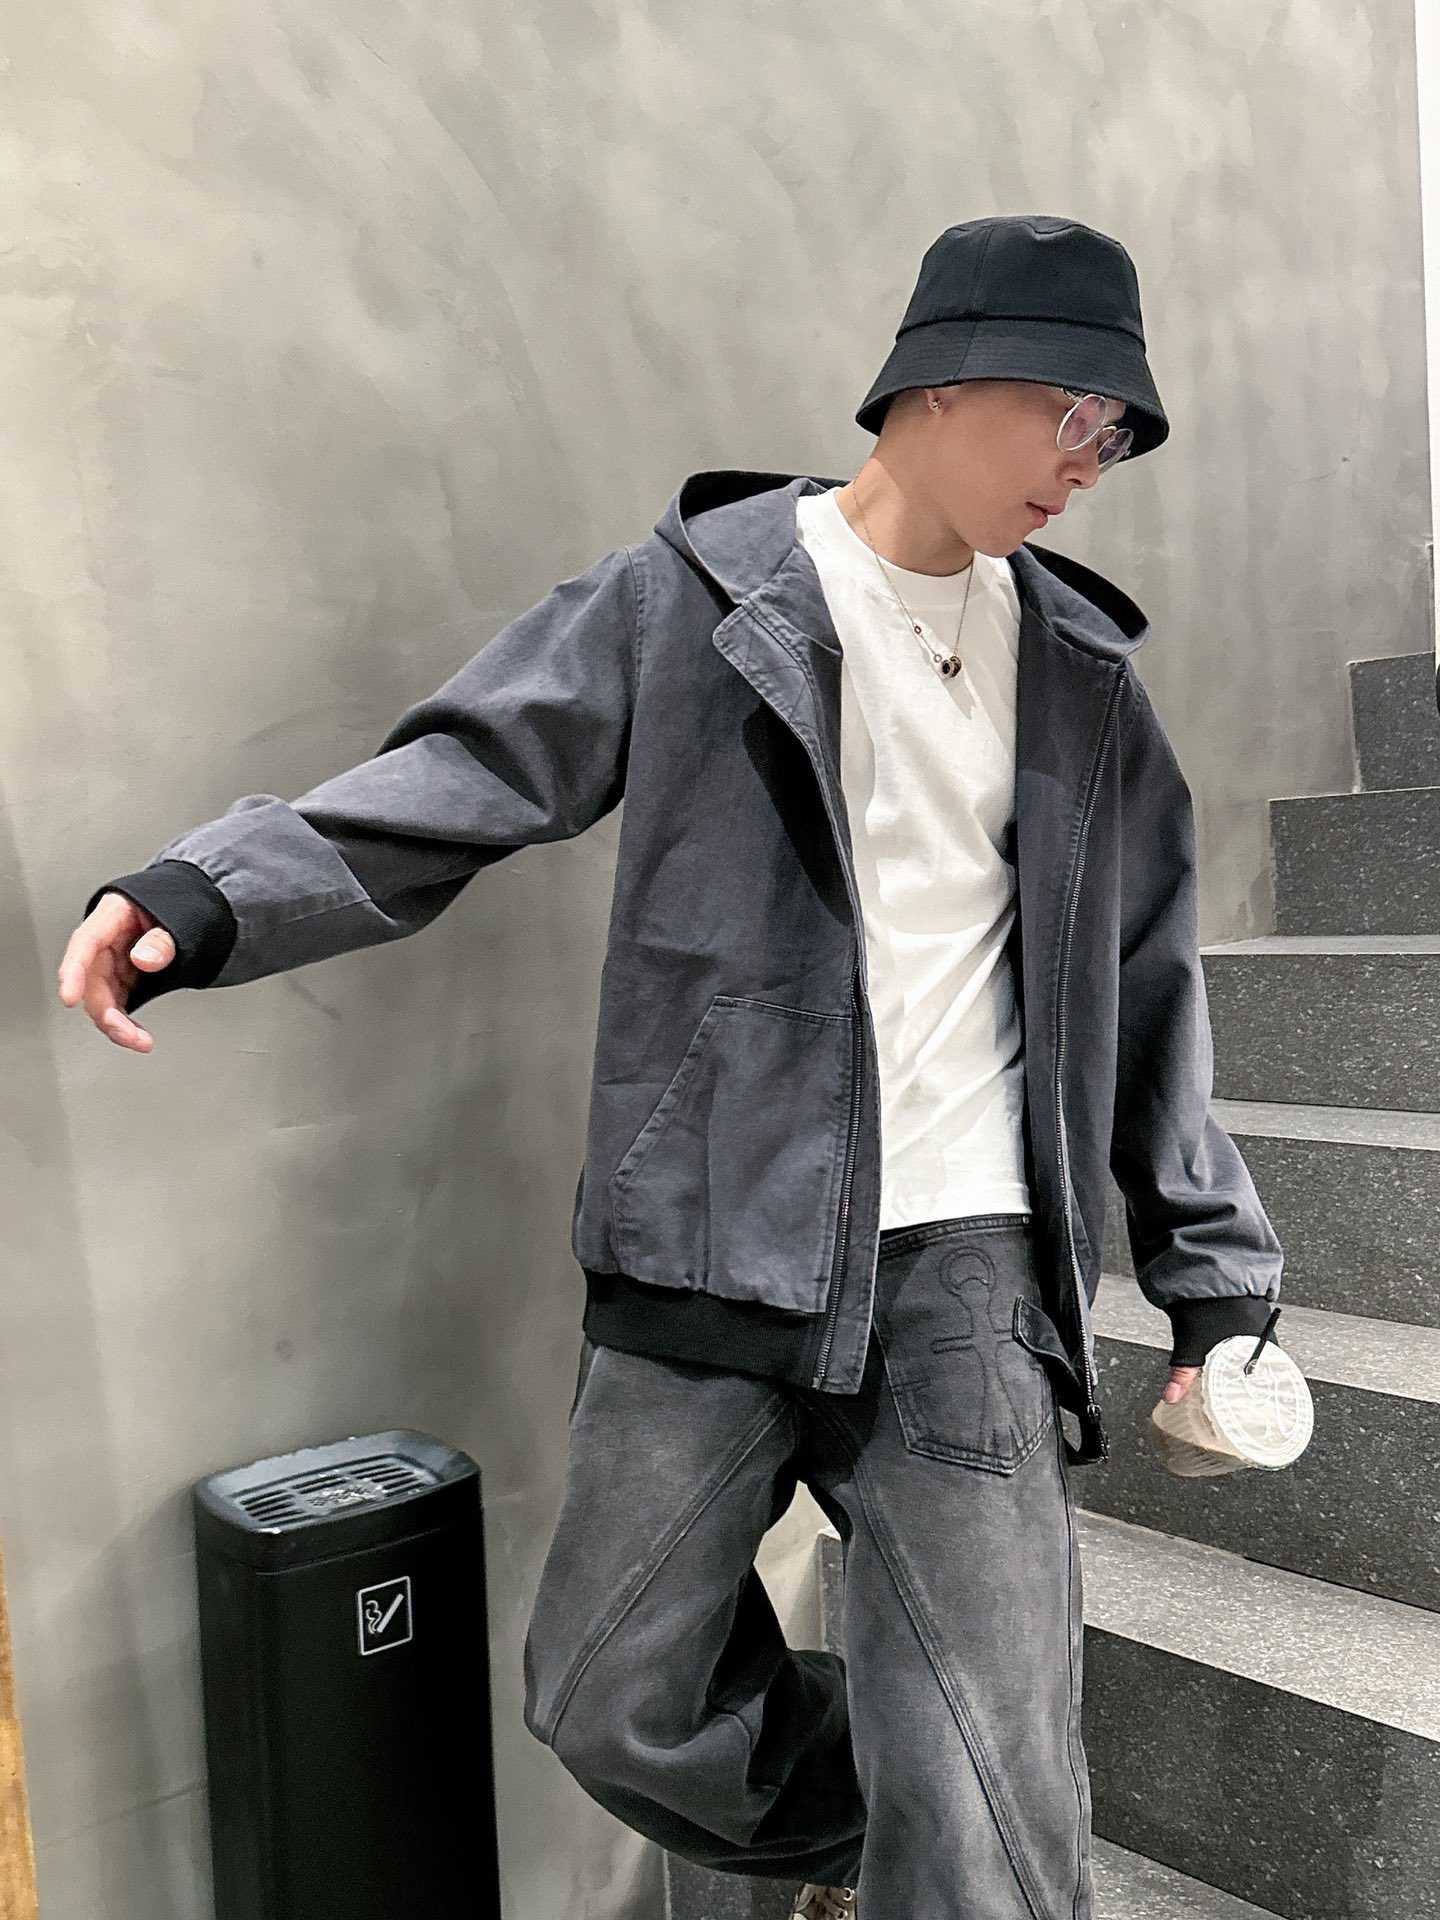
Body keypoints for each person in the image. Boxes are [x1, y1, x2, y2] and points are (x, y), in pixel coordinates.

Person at [57, 214, 1284, 1918]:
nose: (1094, 463)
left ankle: (963, 1837)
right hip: (713, 1240)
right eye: (1078, 413)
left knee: (989, 1821)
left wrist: (1216, 1284)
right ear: (942, 376)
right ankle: (896, 1818)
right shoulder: (704, 595)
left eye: (1121, 437)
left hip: (970, 1278)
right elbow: (470, 772)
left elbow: (1151, 992)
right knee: (609, 1697)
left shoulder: (1084, 679)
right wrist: (211, 894)